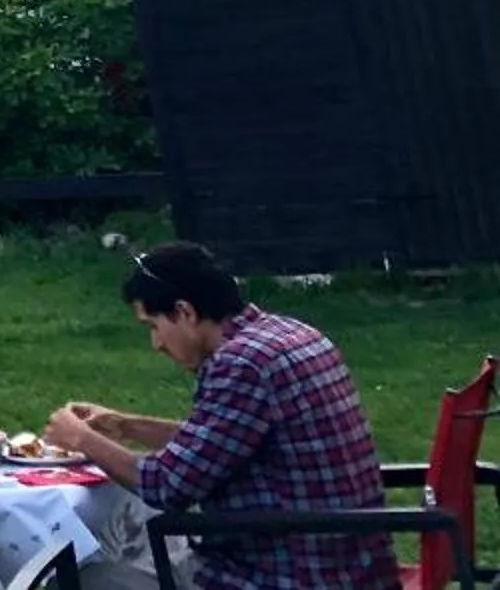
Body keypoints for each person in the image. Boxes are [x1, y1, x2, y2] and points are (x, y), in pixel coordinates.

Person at [42, 243, 393, 590]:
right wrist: (126, 426)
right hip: (348, 561)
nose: (156, 344)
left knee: (78, 578)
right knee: (133, 538)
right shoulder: (293, 335)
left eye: (153, 325)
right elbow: (225, 441)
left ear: (185, 312)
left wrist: (82, 439)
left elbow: (165, 485)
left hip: (286, 572)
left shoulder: (241, 364)